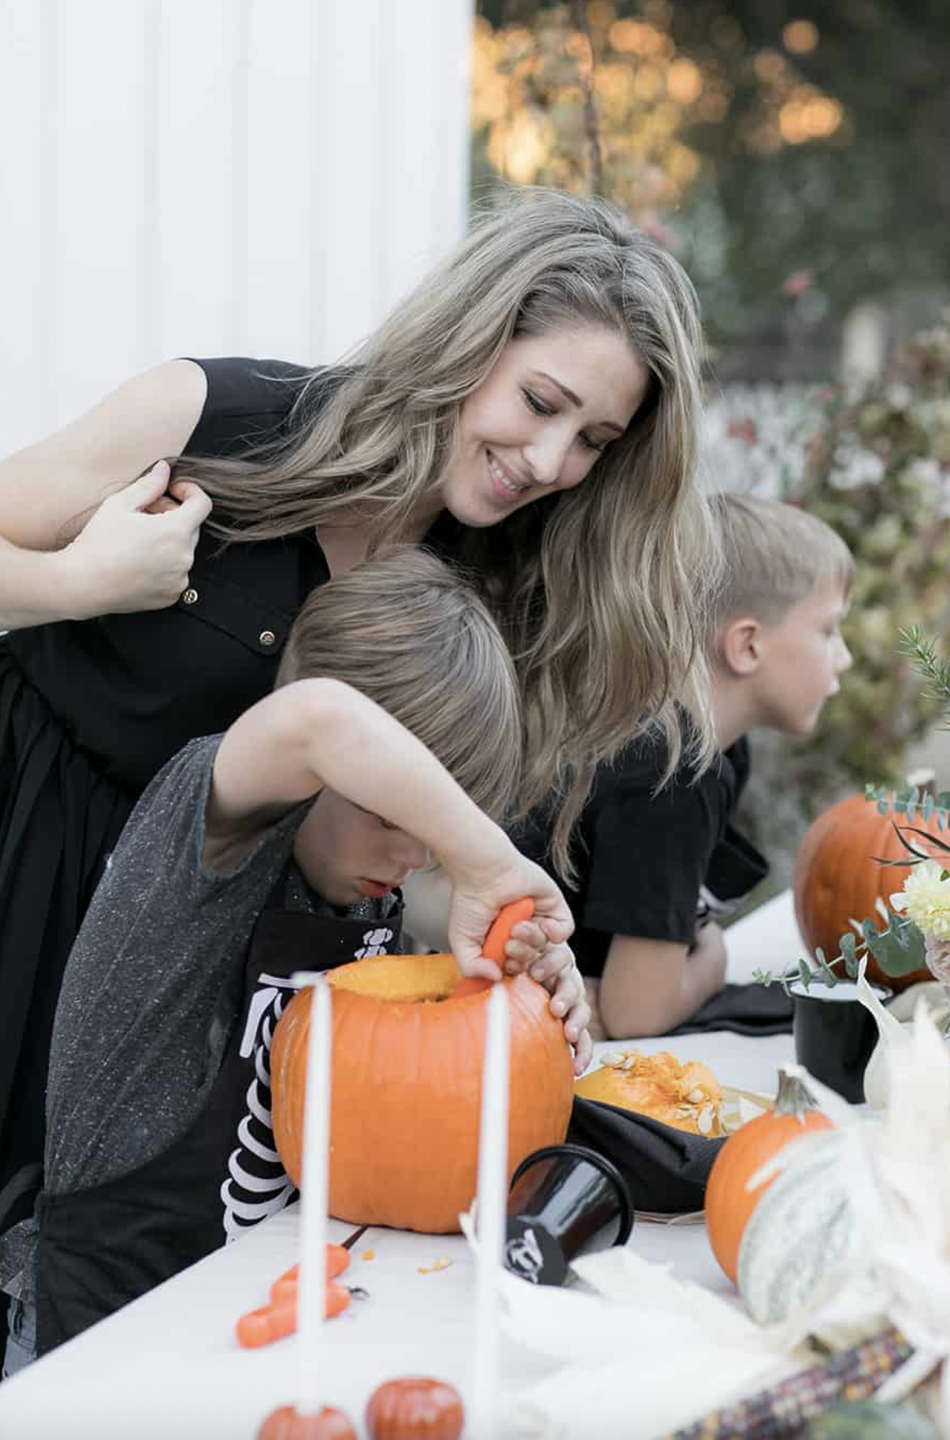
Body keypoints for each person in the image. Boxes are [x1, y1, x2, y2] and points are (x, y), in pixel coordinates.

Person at [0, 186, 719, 1251]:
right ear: (470, 340)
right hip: (29, 848)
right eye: (539, 401)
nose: (551, 461)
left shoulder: (495, 575)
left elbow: (422, 840)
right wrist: (84, 581)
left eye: (593, 440)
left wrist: (528, 956)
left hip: (210, 959)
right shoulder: (219, 418)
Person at [0, 549, 590, 1371]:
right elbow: (318, 718)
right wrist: (480, 856)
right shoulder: (204, 840)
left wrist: (530, 1001)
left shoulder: (363, 893)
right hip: (91, 1342)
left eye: (442, 819)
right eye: (396, 807)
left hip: (246, 1334)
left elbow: (428, 1082)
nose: (420, 848)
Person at [516, 493, 855, 1040]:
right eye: (828, 631)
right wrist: (713, 961)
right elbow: (635, 1014)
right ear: (747, 645)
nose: (844, 657)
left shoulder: (691, 743)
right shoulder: (677, 776)